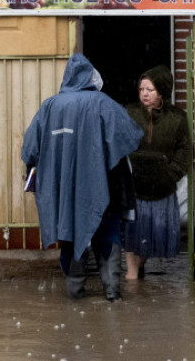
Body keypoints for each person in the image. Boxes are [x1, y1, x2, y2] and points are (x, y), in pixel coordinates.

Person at [21, 53, 143, 301]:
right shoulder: (103, 103)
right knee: (108, 234)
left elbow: (29, 150)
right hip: (103, 187)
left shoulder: (49, 106)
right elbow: (130, 136)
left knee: (70, 234)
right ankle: (112, 294)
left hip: (64, 190)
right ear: (90, 77)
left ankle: (75, 295)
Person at [123, 65, 191, 280]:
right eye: (141, 89)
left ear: (161, 91)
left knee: (153, 235)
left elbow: (184, 151)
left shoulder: (177, 118)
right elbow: (118, 144)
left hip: (162, 187)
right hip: (135, 187)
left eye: (149, 89)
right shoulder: (129, 113)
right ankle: (132, 278)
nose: (144, 93)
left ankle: (139, 269)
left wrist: (171, 174)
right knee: (133, 234)